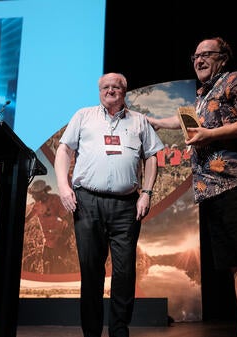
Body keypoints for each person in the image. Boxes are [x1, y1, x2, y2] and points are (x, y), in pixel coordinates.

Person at [147, 37, 237, 337]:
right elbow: (183, 121)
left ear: (223, 57)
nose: (199, 60)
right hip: (214, 192)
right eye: (195, 56)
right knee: (236, 267)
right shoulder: (203, 96)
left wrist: (213, 134)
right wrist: (152, 121)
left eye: (207, 54)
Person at [54, 72, 163, 337]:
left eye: (116, 86)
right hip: (87, 201)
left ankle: (119, 330)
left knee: (125, 271)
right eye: (105, 86)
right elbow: (64, 150)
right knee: (91, 270)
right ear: (99, 90)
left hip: (127, 205)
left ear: (124, 91)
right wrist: (63, 186)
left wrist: (146, 192)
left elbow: (151, 157)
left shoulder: (139, 121)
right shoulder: (83, 116)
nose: (110, 90)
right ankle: (91, 332)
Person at [25, 179, 78, 274]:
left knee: (62, 269)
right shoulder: (36, 205)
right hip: (47, 243)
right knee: (46, 268)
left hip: (60, 242)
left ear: (42, 192)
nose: (32, 196)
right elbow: (26, 219)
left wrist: (64, 238)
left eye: (34, 194)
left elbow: (68, 219)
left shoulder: (55, 200)